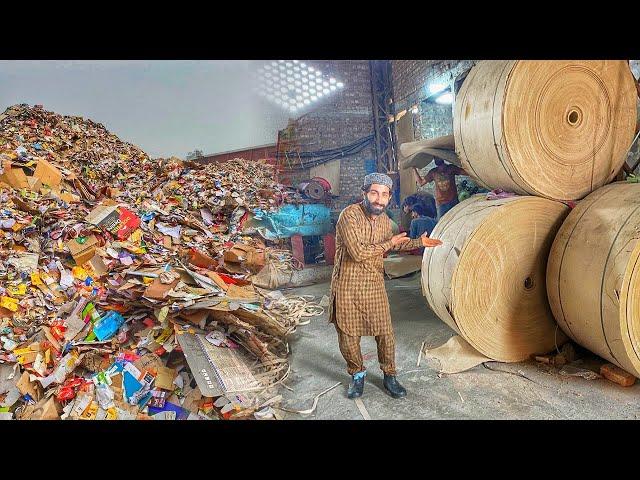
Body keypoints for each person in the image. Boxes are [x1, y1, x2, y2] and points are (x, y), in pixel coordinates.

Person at [329, 172, 442, 399]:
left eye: (384, 195)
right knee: (348, 335)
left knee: (385, 333)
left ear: (389, 197)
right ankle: (357, 375)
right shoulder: (348, 216)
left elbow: (396, 244)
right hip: (347, 285)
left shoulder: (386, 221)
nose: (379, 200)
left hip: (373, 284)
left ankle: (389, 376)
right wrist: (390, 242)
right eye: (374, 193)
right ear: (364, 193)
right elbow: (359, 252)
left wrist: (419, 242)